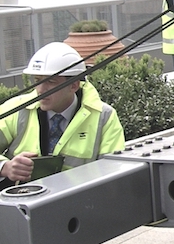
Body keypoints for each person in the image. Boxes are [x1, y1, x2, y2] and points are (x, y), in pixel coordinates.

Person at [0, 42, 125, 183]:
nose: (40, 89)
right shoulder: (16, 109)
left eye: (50, 81)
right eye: (37, 80)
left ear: (73, 85)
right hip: (21, 202)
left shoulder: (104, 117)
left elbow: (113, 173)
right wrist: (5, 167)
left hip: (81, 202)